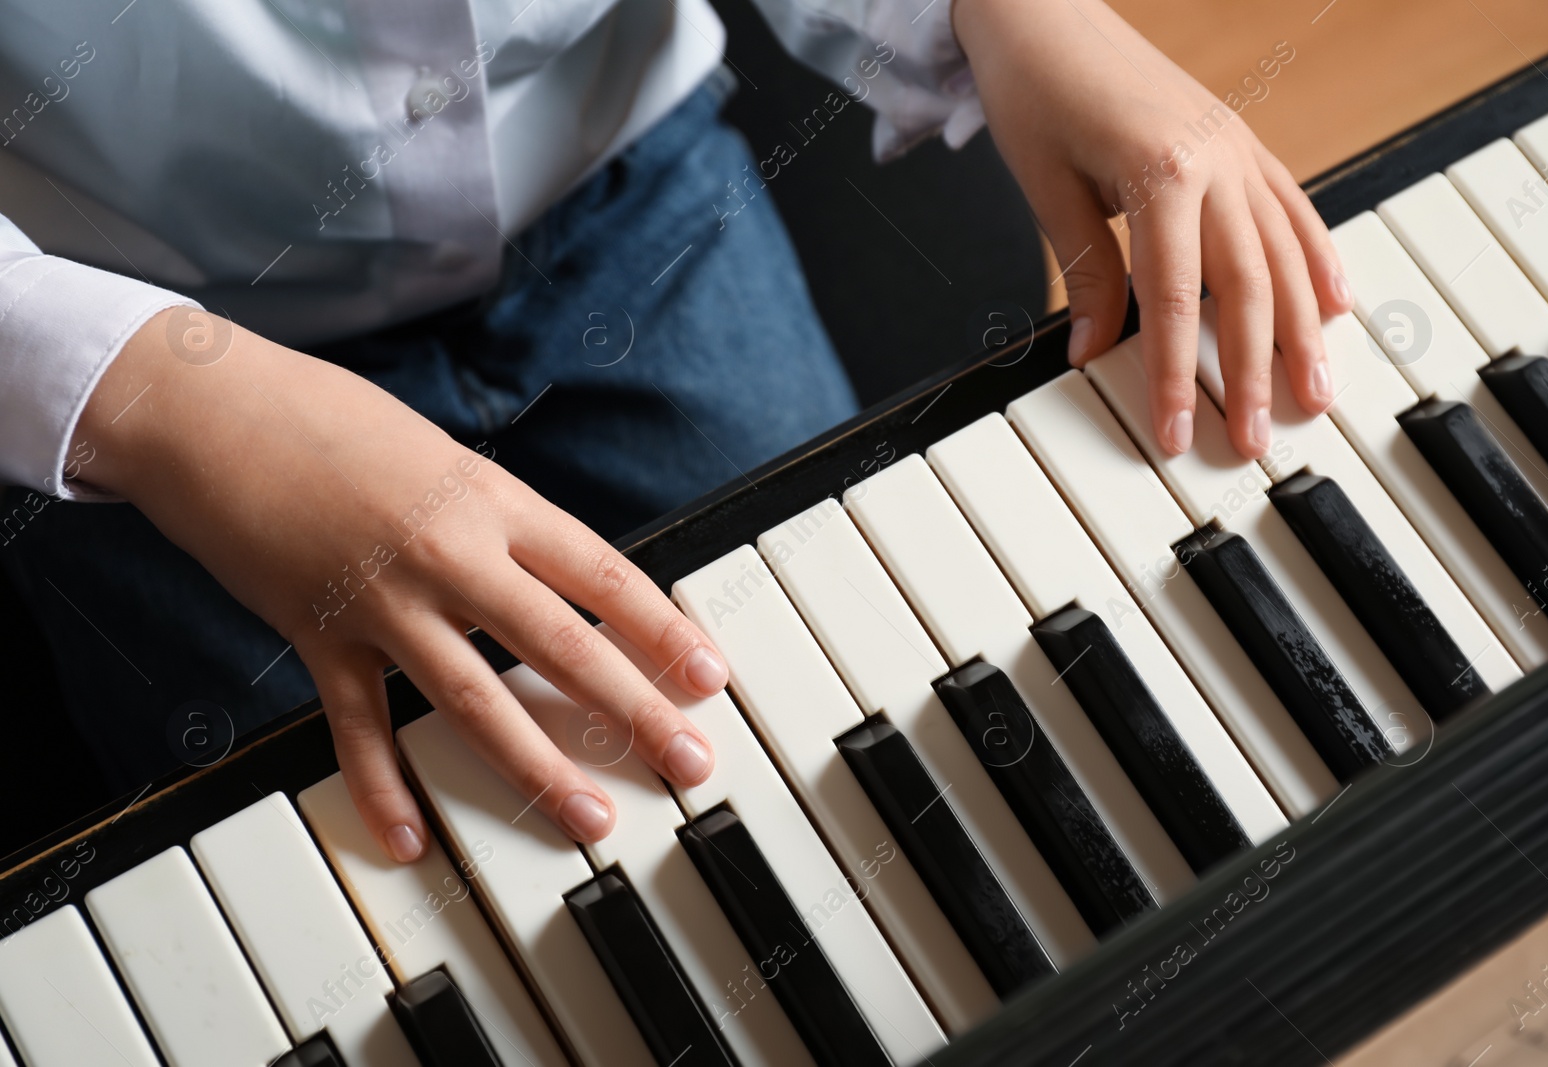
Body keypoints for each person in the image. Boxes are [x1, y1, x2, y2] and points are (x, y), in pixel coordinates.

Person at [0, 0, 1350, 864]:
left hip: (621, 181)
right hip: (125, 329)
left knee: (834, 717)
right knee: (363, 879)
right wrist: (155, 400)